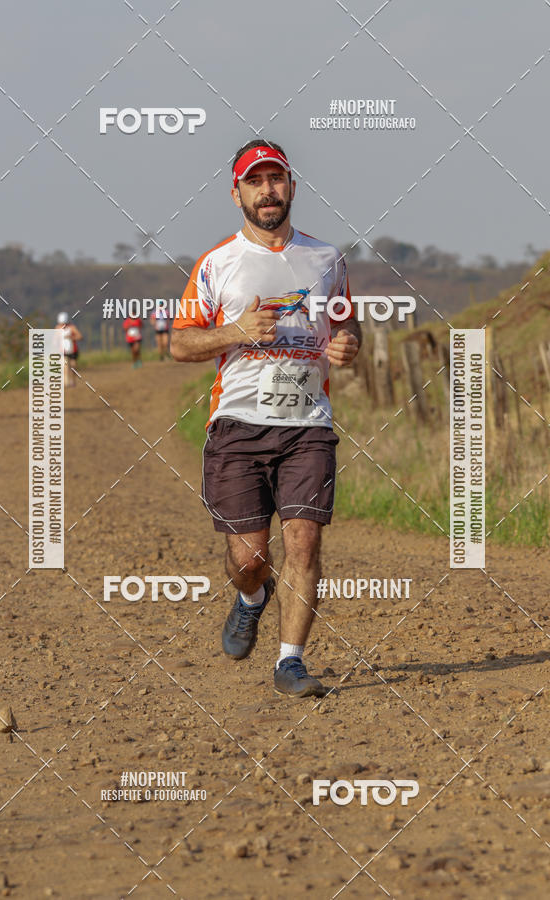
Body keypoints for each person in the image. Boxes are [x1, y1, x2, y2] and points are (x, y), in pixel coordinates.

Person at [171, 140, 362, 698]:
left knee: (304, 542)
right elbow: (181, 345)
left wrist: (348, 343)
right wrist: (234, 332)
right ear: (237, 194)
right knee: (250, 557)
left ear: (292, 187)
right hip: (237, 425)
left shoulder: (328, 260)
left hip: (309, 425)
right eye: (255, 182)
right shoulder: (216, 264)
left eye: (276, 179)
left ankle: (291, 661)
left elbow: (346, 326)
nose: (268, 190)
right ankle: (252, 596)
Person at [56, 312, 83, 388]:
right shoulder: (57, 328)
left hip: (73, 350)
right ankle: (66, 382)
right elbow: (54, 339)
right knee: (65, 366)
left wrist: (71, 337)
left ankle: (73, 381)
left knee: (73, 366)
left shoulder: (72, 327)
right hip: (63, 351)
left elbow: (80, 336)